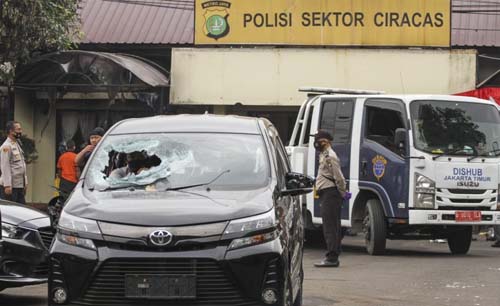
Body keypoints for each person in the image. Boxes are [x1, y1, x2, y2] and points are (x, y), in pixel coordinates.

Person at [313, 130, 348, 268]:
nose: (316, 143)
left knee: (330, 226)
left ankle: (332, 258)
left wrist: (342, 192)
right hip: (328, 193)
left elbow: (339, 177)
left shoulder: (330, 156)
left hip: (330, 193)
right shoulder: (324, 155)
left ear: (325, 141)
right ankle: (334, 255)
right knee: (333, 225)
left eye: (318, 140)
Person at [0, 121, 28, 204]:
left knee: (22, 210)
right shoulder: (6, 146)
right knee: (12, 211)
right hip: (11, 186)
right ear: (11, 131)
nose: (20, 131)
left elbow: (22, 165)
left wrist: (25, 183)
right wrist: (7, 185)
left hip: (19, 185)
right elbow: (5, 166)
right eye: (18, 129)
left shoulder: (16, 144)